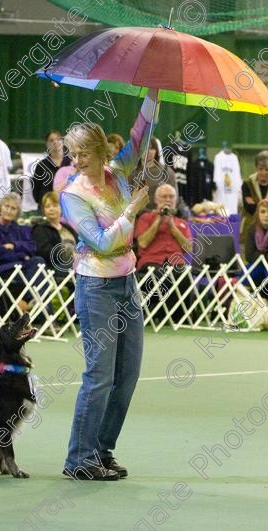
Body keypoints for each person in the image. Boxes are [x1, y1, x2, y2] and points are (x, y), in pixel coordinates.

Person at [59, 100, 150, 481]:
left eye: (83, 152)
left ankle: (101, 450)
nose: (77, 159)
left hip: (127, 283)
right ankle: (78, 459)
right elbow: (99, 242)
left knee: (127, 376)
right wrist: (131, 212)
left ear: (101, 152)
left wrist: (153, 95)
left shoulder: (119, 172)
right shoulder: (73, 193)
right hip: (95, 285)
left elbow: (140, 137)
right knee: (99, 375)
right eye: (72, 153)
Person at [0, 193, 48, 312]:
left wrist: (14, 245)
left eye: (13, 208)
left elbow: (32, 247)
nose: (9, 211)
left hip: (18, 267)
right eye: (7, 206)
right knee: (36, 272)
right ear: (0, 207)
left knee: (38, 262)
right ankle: (40, 308)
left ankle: (32, 301)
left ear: (17, 212)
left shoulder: (17, 228)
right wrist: (21, 254)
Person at [134, 184, 193, 322]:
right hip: (152, 263)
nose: (168, 199)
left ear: (176, 200)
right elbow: (142, 243)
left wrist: (172, 226)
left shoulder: (181, 222)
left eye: (171, 197)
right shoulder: (146, 218)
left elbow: (188, 248)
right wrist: (158, 221)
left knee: (183, 274)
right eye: (164, 196)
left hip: (175, 262)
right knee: (161, 274)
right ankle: (157, 313)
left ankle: (179, 317)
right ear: (156, 200)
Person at [241, 150, 268, 243]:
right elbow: (248, 207)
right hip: (249, 229)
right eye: (260, 169)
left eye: (267, 169)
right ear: (256, 168)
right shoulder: (247, 184)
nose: (263, 172)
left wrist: (256, 205)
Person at [31, 191, 77, 277]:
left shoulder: (68, 227)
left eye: (55, 205)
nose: (51, 209)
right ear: (43, 210)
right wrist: (70, 253)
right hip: (54, 267)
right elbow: (44, 252)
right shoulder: (40, 229)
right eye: (47, 206)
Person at [130, 137, 179, 213]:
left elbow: (175, 197)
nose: (147, 152)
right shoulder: (132, 173)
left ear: (156, 151)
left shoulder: (167, 171)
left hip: (162, 215)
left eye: (151, 148)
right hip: (138, 216)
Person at [32, 130, 70, 209]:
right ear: (47, 144)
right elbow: (36, 191)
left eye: (58, 139)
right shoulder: (41, 166)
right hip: (47, 208)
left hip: (69, 209)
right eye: (51, 140)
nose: (55, 142)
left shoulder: (72, 163)